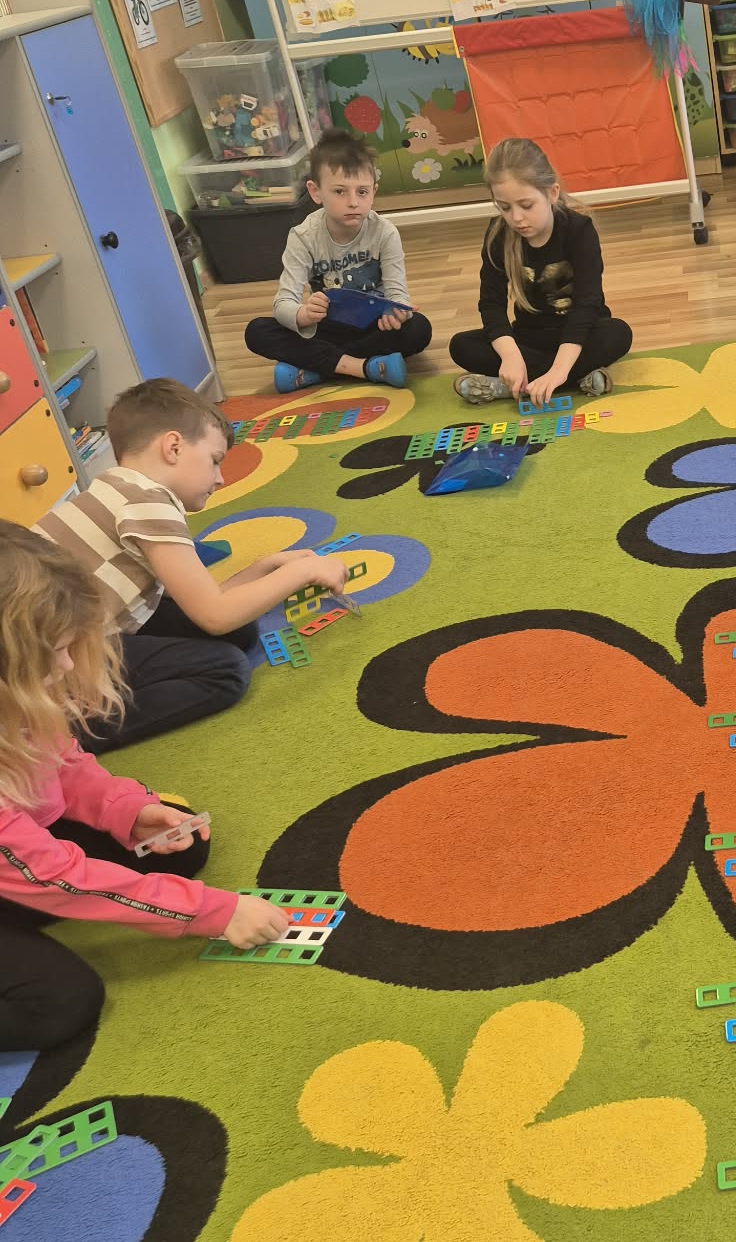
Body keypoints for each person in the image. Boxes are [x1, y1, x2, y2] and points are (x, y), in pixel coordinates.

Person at [0, 526, 287, 1052]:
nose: (67, 666)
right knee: (62, 1002)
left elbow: (64, 766)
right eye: (54, 653)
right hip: (16, 856)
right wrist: (210, 912)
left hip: (15, 848)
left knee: (175, 847)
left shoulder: (17, 704)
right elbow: (57, 876)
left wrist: (126, 810)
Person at [35, 378, 351, 751]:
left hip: (78, 633)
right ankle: (59, 728)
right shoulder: (150, 504)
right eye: (215, 461)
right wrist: (303, 571)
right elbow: (215, 615)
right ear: (173, 447)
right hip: (48, 664)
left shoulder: (119, 489)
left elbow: (205, 603)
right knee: (225, 670)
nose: (220, 479)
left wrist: (268, 567)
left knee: (239, 631)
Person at [243, 129, 433, 392]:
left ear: (374, 191)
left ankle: (317, 369)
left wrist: (396, 313)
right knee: (257, 331)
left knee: (419, 329)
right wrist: (303, 314)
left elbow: (397, 293)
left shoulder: (385, 232)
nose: (353, 202)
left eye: (362, 192)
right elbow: (283, 302)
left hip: (371, 327)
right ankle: (364, 367)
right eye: (340, 191)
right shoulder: (303, 236)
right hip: (326, 327)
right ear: (316, 192)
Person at [449, 136, 633, 405]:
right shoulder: (498, 235)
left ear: (552, 193)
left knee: (619, 334)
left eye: (526, 206)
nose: (516, 218)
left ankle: (517, 385)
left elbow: (587, 304)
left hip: (581, 334)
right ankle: (573, 379)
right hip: (529, 338)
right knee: (461, 346)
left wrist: (558, 369)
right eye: (504, 208)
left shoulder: (578, 230)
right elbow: (491, 304)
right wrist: (511, 356)